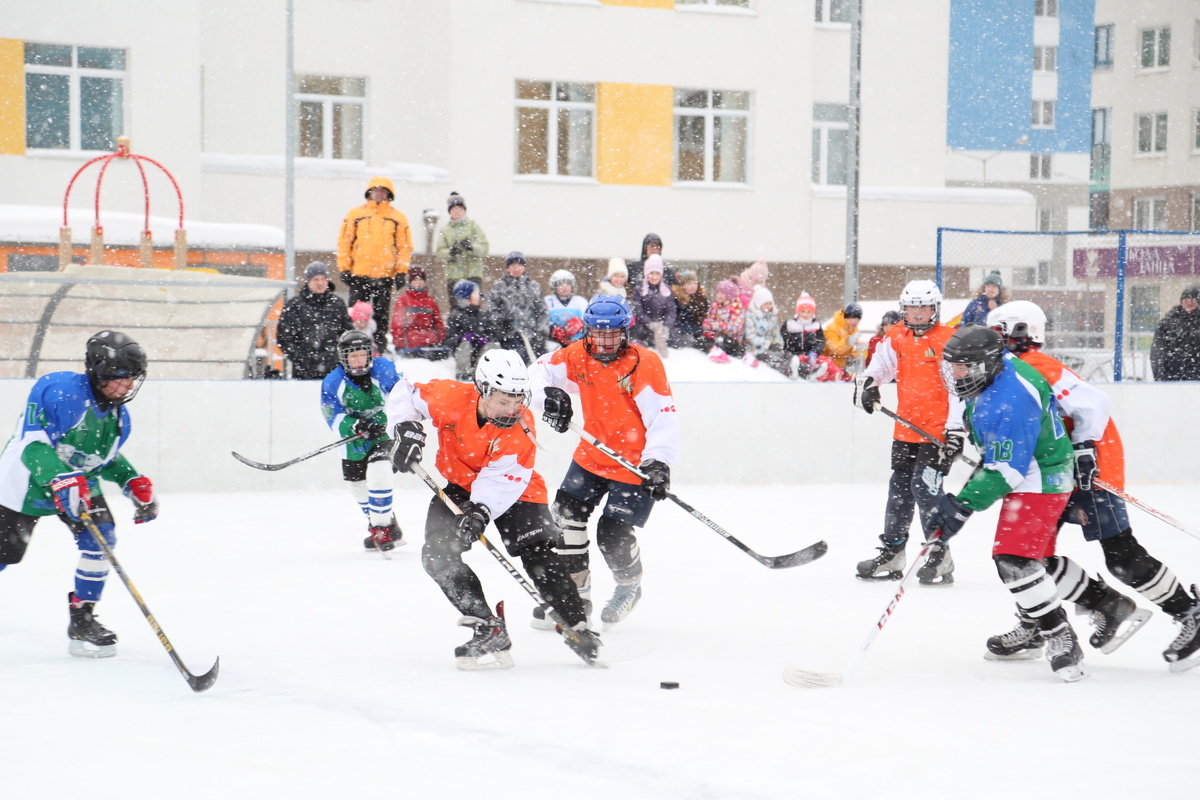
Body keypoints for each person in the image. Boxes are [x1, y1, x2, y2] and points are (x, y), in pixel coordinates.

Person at [988, 301, 1200, 670]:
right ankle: (1038, 623)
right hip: (1052, 474)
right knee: (1028, 555)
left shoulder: (1037, 366)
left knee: (1121, 556)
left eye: (995, 334)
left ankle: (1189, 613)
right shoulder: (1006, 372)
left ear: (1019, 332)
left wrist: (1085, 449)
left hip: (1091, 470)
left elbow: (1094, 403)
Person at [383, 349, 600, 669]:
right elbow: (405, 392)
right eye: (503, 400)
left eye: (518, 399)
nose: (512, 409)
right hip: (460, 485)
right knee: (437, 554)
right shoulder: (449, 397)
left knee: (537, 552)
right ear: (482, 388)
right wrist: (405, 429)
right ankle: (488, 627)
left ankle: (576, 623)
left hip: (517, 487)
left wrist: (480, 511)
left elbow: (501, 480)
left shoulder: (520, 425)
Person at [926, 325, 1083, 681]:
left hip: (1041, 473)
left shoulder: (1011, 398)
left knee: (1014, 559)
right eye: (954, 366)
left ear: (985, 364)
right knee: (1034, 561)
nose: (957, 374)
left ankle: (1060, 635)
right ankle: (1056, 621)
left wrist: (962, 506)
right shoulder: (994, 370)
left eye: (963, 367)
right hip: (1027, 465)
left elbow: (1008, 470)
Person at [0, 331, 158, 658]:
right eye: (123, 377)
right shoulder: (60, 391)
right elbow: (32, 445)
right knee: (6, 555)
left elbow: (101, 458)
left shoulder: (118, 418)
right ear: (100, 373)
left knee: (101, 538)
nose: (129, 385)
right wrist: (60, 478)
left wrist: (131, 480)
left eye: (133, 377)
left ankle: (82, 618)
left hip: (77, 484)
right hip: (24, 483)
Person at [529, 296, 679, 630]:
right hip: (592, 456)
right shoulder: (577, 355)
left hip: (635, 464)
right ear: (587, 331)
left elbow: (663, 418)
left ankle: (629, 585)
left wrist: (658, 462)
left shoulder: (645, 363)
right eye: (598, 334)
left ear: (626, 332)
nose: (606, 341)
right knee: (564, 521)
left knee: (611, 534)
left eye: (613, 334)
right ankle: (575, 599)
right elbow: (537, 372)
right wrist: (550, 397)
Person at [853, 279, 959, 586]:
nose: (917, 313)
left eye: (923, 307)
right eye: (912, 307)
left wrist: (956, 431)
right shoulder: (897, 335)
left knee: (925, 490)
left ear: (935, 309)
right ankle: (893, 552)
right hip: (906, 429)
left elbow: (958, 391)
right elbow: (881, 365)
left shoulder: (948, 340)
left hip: (937, 432)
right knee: (899, 490)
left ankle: (940, 554)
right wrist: (870, 384)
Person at [321, 330, 405, 553]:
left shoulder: (384, 368)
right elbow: (332, 415)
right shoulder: (333, 382)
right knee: (357, 486)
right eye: (353, 356)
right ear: (344, 358)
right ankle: (387, 523)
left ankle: (381, 530)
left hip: (384, 434)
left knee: (380, 472)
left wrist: (395, 420)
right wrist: (355, 425)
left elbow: (401, 395)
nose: (359, 360)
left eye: (362, 355)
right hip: (355, 441)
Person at [337, 177, 413, 355]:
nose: (379, 193)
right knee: (355, 314)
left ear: (389, 194)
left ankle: (379, 347)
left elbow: (404, 247)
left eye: (383, 191)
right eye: (376, 190)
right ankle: (353, 345)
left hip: (384, 275)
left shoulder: (398, 217)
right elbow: (344, 242)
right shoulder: (355, 214)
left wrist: (401, 271)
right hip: (359, 274)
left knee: (381, 315)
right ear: (369, 192)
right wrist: (344, 268)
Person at [277, 262, 353, 380]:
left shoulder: (337, 304)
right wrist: (299, 358)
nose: (320, 283)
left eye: (323, 279)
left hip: (333, 368)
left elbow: (348, 334)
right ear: (308, 281)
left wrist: (337, 356)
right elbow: (283, 337)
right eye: (316, 279)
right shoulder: (294, 305)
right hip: (303, 371)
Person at [489, 251, 548, 364]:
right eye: (513, 265)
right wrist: (501, 322)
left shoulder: (534, 286)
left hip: (533, 334)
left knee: (543, 361)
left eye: (519, 265)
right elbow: (492, 310)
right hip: (510, 334)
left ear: (524, 267)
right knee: (518, 358)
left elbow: (543, 311)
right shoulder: (499, 287)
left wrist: (540, 331)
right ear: (508, 268)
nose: (516, 268)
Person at [435, 191, 490, 300]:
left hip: (473, 273)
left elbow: (484, 248)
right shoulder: (445, 230)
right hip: (454, 275)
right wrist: (451, 252)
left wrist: (471, 247)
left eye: (459, 209)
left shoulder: (474, 227)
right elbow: (440, 252)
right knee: (456, 305)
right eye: (454, 209)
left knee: (473, 304)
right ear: (449, 212)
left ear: (464, 210)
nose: (457, 212)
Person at [444, 280, 502, 382]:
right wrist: (462, 339)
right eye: (475, 293)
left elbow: (495, 335)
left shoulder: (483, 316)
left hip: (481, 356)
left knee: (492, 347)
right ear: (466, 297)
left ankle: (485, 374)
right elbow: (448, 341)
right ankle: (463, 376)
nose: (479, 296)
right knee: (465, 346)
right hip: (464, 357)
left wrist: (486, 339)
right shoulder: (456, 317)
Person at [389, 266, 447, 358]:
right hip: (410, 343)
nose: (418, 283)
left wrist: (440, 340)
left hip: (430, 343)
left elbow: (438, 322)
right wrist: (399, 342)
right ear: (410, 282)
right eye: (415, 280)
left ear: (424, 282)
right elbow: (397, 324)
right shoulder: (403, 300)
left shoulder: (430, 301)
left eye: (421, 280)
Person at [1150, 285, 1200, 381]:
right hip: (1172, 374)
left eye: (1193, 300)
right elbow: (1157, 350)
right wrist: (1159, 374)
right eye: (1186, 300)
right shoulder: (1168, 322)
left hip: (1196, 375)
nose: (1189, 303)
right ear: (1181, 302)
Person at [630, 255, 676, 357]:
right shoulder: (639, 290)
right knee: (640, 333)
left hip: (661, 324)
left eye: (657, 273)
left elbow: (671, 311)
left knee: (676, 337)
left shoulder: (666, 290)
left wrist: (667, 325)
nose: (654, 276)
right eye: (651, 273)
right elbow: (637, 310)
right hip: (644, 325)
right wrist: (649, 323)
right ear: (646, 274)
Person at [744, 286, 791, 376]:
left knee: (786, 355)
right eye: (766, 304)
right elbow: (750, 336)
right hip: (757, 350)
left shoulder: (772, 316)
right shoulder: (751, 316)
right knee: (772, 358)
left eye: (770, 303)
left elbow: (776, 333)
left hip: (772, 347)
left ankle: (805, 370)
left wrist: (778, 344)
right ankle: (787, 369)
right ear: (759, 304)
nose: (769, 306)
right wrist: (767, 343)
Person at [783, 292, 827, 379]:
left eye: (808, 312)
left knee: (826, 361)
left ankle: (840, 375)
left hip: (810, 355)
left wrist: (814, 352)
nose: (805, 314)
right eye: (803, 311)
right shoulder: (790, 324)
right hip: (794, 355)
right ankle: (809, 372)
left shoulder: (816, 326)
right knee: (798, 362)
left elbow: (820, 342)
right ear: (798, 311)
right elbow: (783, 339)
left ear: (812, 313)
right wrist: (788, 352)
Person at [702, 279, 746, 362]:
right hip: (716, 336)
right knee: (703, 340)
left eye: (722, 293)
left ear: (729, 295)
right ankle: (714, 350)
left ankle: (720, 351)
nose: (718, 295)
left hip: (732, 338)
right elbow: (710, 318)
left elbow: (735, 328)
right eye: (718, 292)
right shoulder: (715, 305)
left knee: (727, 343)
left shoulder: (737, 308)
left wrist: (719, 326)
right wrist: (708, 325)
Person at [544, 269, 588, 348]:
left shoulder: (581, 301)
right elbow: (541, 322)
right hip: (554, 344)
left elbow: (590, 322)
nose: (564, 287)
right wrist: (552, 329)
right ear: (554, 287)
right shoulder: (548, 301)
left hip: (578, 343)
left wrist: (581, 324)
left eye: (567, 284)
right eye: (560, 284)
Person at [669, 269, 708, 350]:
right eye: (689, 284)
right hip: (683, 333)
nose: (693, 286)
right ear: (682, 285)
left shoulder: (702, 299)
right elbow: (678, 321)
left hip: (698, 331)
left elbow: (705, 316)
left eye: (695, 283)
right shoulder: (678, 299)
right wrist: (696, 330)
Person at [823, 302, 863, 373]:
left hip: (842, 367)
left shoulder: (854, 331)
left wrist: (851, 356)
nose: (856, 322)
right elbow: (834, 349)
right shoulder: (832, 328)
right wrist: (847, 342)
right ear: (846, 317)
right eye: (853, 318)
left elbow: (851, 349)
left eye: (858, 319)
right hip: (827, 366)